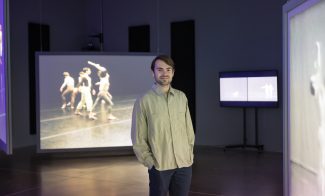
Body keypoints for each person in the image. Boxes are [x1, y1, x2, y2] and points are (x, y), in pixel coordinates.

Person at [131, 55, 195, 196]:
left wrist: (189, 154)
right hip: (160, 166)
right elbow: (138, 137)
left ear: (173, 72)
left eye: (168, 69)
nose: (164, 73)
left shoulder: (181, 97)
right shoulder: (144, 101)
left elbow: (189, 130)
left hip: (184, 165)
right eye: (160, 69)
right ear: (152, 72)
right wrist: (150, 163)